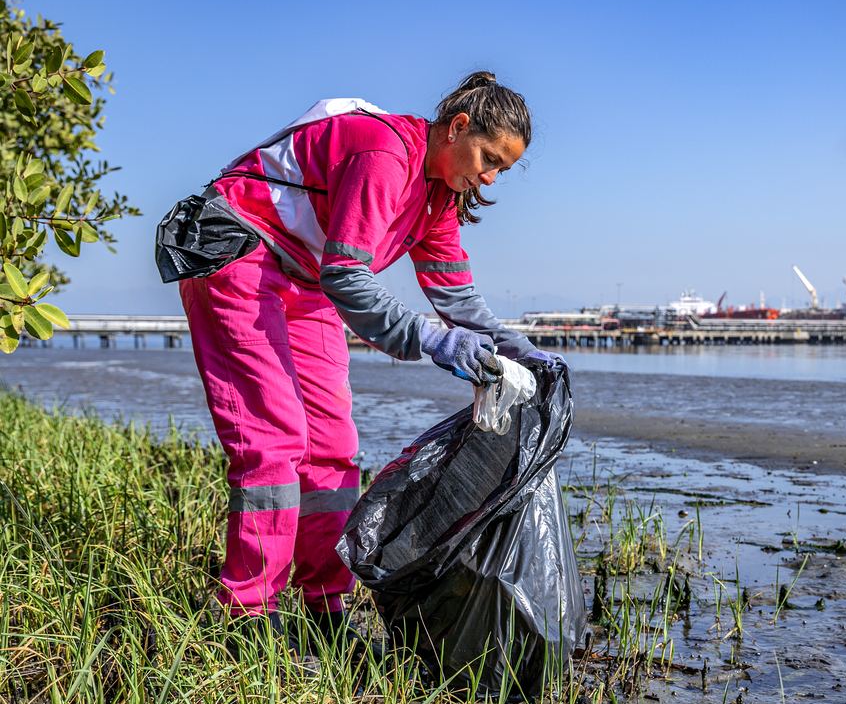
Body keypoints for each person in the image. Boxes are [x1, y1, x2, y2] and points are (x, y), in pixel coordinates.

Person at [177, 72, 561, 649]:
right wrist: (435, 343)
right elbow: (349, 277)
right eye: (487, 157)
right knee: (274, 440)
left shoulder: (438, 199)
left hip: (304, 279)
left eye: (501, 169)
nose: (489, 176)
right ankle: (248, 618)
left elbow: (456, 297)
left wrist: (520, 351)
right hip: (239, 251)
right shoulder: (384, 153)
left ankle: (323, 608)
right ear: (457, 127)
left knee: (332, 445)